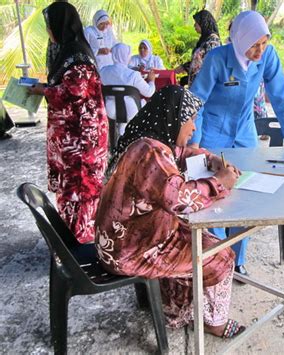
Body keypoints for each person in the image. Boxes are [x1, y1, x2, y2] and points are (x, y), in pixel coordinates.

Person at [95, 85, 245, 338]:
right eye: (190, 120)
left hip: (119, 239)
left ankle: (172, 307)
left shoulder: (146, 139)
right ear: (173, 117)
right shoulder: (151, 152)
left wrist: (208, 158)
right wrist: (220, 182)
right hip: (132, 249)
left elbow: (176, 155)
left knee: (196, 238)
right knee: (221, 256)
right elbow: (180, 201)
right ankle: (214, 322)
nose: (194, 128)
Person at [189, 11, 284, 275]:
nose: (259, 49)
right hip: (213, 132)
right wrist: (194, 145)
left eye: (264, 42)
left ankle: (237, 260)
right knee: (215, 195)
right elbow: (197, 101)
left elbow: (281, 96)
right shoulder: (217, 59)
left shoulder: (268, 57)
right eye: (254, 44)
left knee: (245, 194)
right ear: (239, 40)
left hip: (244, 132)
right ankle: (217, 258)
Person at [28, 2, 108, 244]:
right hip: (71, 140)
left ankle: (79, 250)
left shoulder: (78, 54)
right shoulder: (66, 51)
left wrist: (44, 90)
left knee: (80, 192)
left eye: (50, 25)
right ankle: (71, 243)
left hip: (82, 142)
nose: (48, 30)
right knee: (70, 192)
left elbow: (75, 93)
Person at [100, 43, 156, 137]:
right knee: (144, 103)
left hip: (109, 111)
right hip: (131, 111)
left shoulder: (103, 71)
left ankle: (120, 133)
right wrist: (151, 81)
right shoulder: (133, 75)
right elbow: (149, 93)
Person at [175, 10, 221, 87]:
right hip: (198, 85)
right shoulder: (205, 39)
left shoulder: (213, 41)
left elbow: (207, 65)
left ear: (203, 23)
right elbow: (198, 61)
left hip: (205, 87)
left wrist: (185, 69)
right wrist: (184, 68)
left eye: (196, 23)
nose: (194, 25)